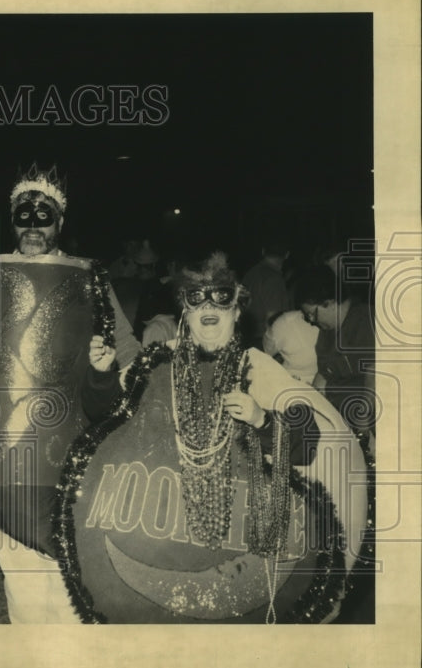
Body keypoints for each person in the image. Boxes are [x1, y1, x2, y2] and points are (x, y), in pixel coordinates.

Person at [70, 252, 368, 623]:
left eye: (221, 300)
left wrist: (262, 421)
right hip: (164, 534)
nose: (208, 307)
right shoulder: (159, 364)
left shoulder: (258, 369)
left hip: (236, 547)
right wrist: (100, 375)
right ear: (185, 313)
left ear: (237, 313)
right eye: (196, 300)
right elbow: (105, 416)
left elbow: (307, 444)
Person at [0, 165, 140, 623]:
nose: (34, 225)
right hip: (1, 454)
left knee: (66, 575)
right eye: (24, 215)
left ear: (60, 223)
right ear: (13, 221)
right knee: (19, 575)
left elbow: (131, 355)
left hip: (66, 448)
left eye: (45, 216)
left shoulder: (89, 280)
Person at [294, 264, 375, 438]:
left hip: (367, 424)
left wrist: (364, 419)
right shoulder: (327, 333)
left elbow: (374, 374)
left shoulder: (365, 321)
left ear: (329, 303)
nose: (311, 321)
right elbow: (323, 376)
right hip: (340, 421)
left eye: (312, 314)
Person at [241, 237, 292, 347]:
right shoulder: (274, 279)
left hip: (246, 338)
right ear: (287, 255)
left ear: (263, 251)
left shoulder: (250, 273)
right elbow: (273, 319)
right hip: (263, 341)